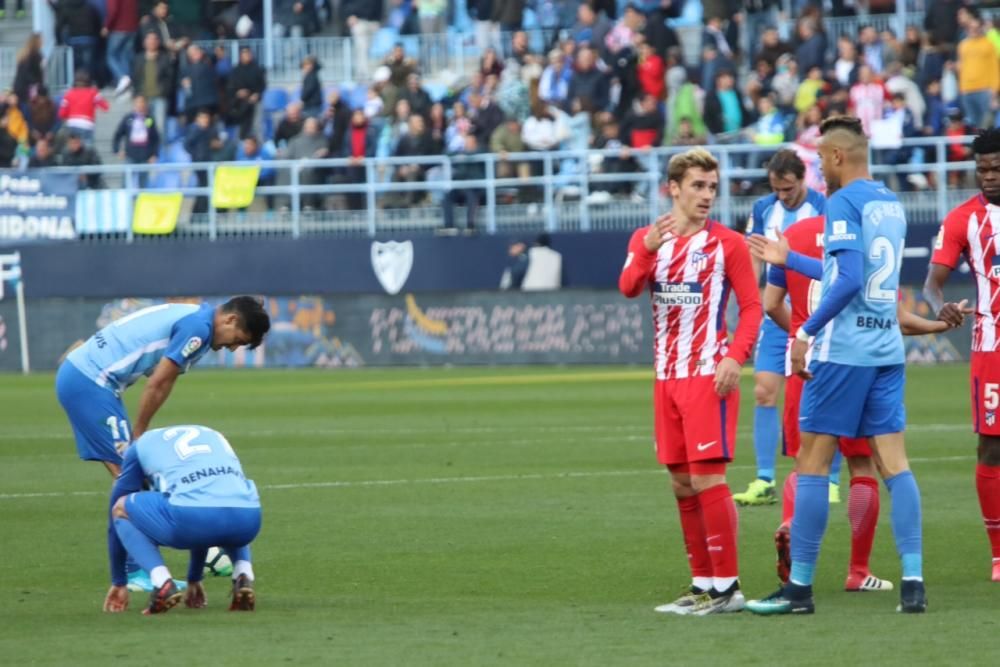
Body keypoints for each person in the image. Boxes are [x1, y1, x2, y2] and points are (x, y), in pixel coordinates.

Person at [744, 115, 925, 615]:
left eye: (822, 157)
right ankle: (913, 583)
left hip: (845, 353)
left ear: (839, 156)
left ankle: (798, 590)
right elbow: (863, 274)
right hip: (887, 348)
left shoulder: (843, 201)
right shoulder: (889, 201)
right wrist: (792, 258)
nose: (819, 168)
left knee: (812, 467)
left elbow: (845, 281)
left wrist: (804, 331)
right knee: (895, 466)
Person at [752, 214, 965, 593]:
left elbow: (770, 304)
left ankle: (792, 537)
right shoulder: (865, 239)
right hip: (857, 362)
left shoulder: (791, 237)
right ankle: (858, 571)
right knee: (865, 465)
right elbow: (894, 316)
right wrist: (939, 326)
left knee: (808, 464)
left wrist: (803, 334)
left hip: (805, 364)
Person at [619, 148, 762, 616]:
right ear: (673, 188)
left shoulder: (728, 245)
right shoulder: (648, 238)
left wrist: (735, 358)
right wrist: (646, 251)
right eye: (698, 186)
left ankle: (728, 588)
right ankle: (703, 584)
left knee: (708, 478)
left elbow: (753, 308)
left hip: (708, 376)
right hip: (666, 378)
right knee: (681, 483)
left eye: (712, 187)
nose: (707, 195)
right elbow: (627, 286)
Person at [55, 298, 270, 590]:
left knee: (131, 478)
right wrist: (139, 435)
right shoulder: (199, 328)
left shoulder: (199, 316)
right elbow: (158, 382)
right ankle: (135, 573)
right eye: (237, 341)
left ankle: (167, 558)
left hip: (87, 378)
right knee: (130, 477)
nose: (232, 348)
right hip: (90, 382)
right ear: (230, 320)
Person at [924, 128, 1000, 582]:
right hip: (991, 349)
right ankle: (998, 552)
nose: (989, 177)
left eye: (997, 169)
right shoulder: (962, 220)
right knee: (992, 447)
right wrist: (941, 306)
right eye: (982, 169)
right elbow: (933, 281)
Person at [734, 150, 826, 508]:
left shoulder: (823, 206)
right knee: (763, 390)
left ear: (802, 180)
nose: (783, 195)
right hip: (777, 312)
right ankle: (764, 479)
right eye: (777, 189)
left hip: (812, 313)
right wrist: (750, 301)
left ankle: (827, 478)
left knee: (815, 399)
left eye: (788, 188)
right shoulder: (763, 208)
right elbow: (754, 255)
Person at [102, 425, 261, 614]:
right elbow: (206, 498)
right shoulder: (213, 434)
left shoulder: (137, 448)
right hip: (249, 518)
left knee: (120, 508)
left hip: (192, 520)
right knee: (225, 499)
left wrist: (119, 581)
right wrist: (194, 579)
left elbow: (114, 518)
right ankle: (243, 573)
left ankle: (162, 583)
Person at [112, 95, 160, 188]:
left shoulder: (149, 119)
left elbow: (156, 138)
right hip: (130, 154)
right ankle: (125, 201)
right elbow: (118, 134)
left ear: (145, 104)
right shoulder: (128, 118)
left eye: (142, 102)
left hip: (145, 156)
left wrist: (155, 154)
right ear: (134, 104)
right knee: (126, 183)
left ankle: (140, 202)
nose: (140, 105)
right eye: (138, 102)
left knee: (143, 184)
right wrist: (117, 149)